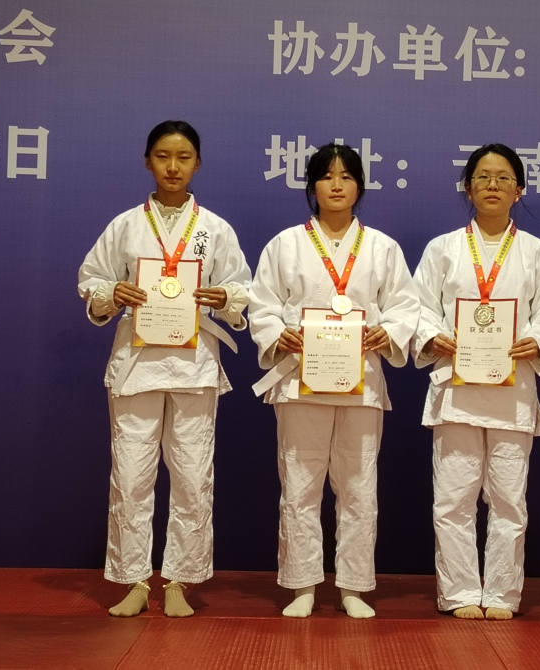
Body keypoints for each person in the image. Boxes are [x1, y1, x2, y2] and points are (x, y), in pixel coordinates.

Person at [78, 120, 250, 618]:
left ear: (197, 164)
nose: (173, 167)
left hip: (194, 365)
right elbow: (91, 279)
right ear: (147, 161)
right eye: (163, 156)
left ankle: (179, 579)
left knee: (193, 475)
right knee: (131, 475)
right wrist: (113, 293)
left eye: (183, 157)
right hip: (137, 364)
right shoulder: (126, 225)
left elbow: (242, 288)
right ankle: (133, 578)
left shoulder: (215, 228)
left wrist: (223, 297)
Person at [249, 143, 419, 619]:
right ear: (312, 186)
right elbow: (261, 303)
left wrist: (390, 332)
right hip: (300, 379)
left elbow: (405, 306)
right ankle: (302, 584)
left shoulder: (382, 247)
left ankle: (353, 587)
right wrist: (276, 333)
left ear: (360, 185)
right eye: (326, 176)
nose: (337, 185)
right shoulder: (285, 244)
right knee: (300, 484)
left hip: (360, 380)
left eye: (347, 176)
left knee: (359, 485)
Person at [412, 144, 540, 620]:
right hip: (456, 388)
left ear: (519, 190)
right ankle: (460, 592)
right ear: (468, 188)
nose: (493, 185)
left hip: (511, 388)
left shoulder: (539, 253)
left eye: (503, 178)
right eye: (482, 177)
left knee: (508, 500)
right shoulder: (442, 249)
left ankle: (501, 593)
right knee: (453, 498)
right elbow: (418, 306)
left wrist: (537, 340)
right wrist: (433, 336)